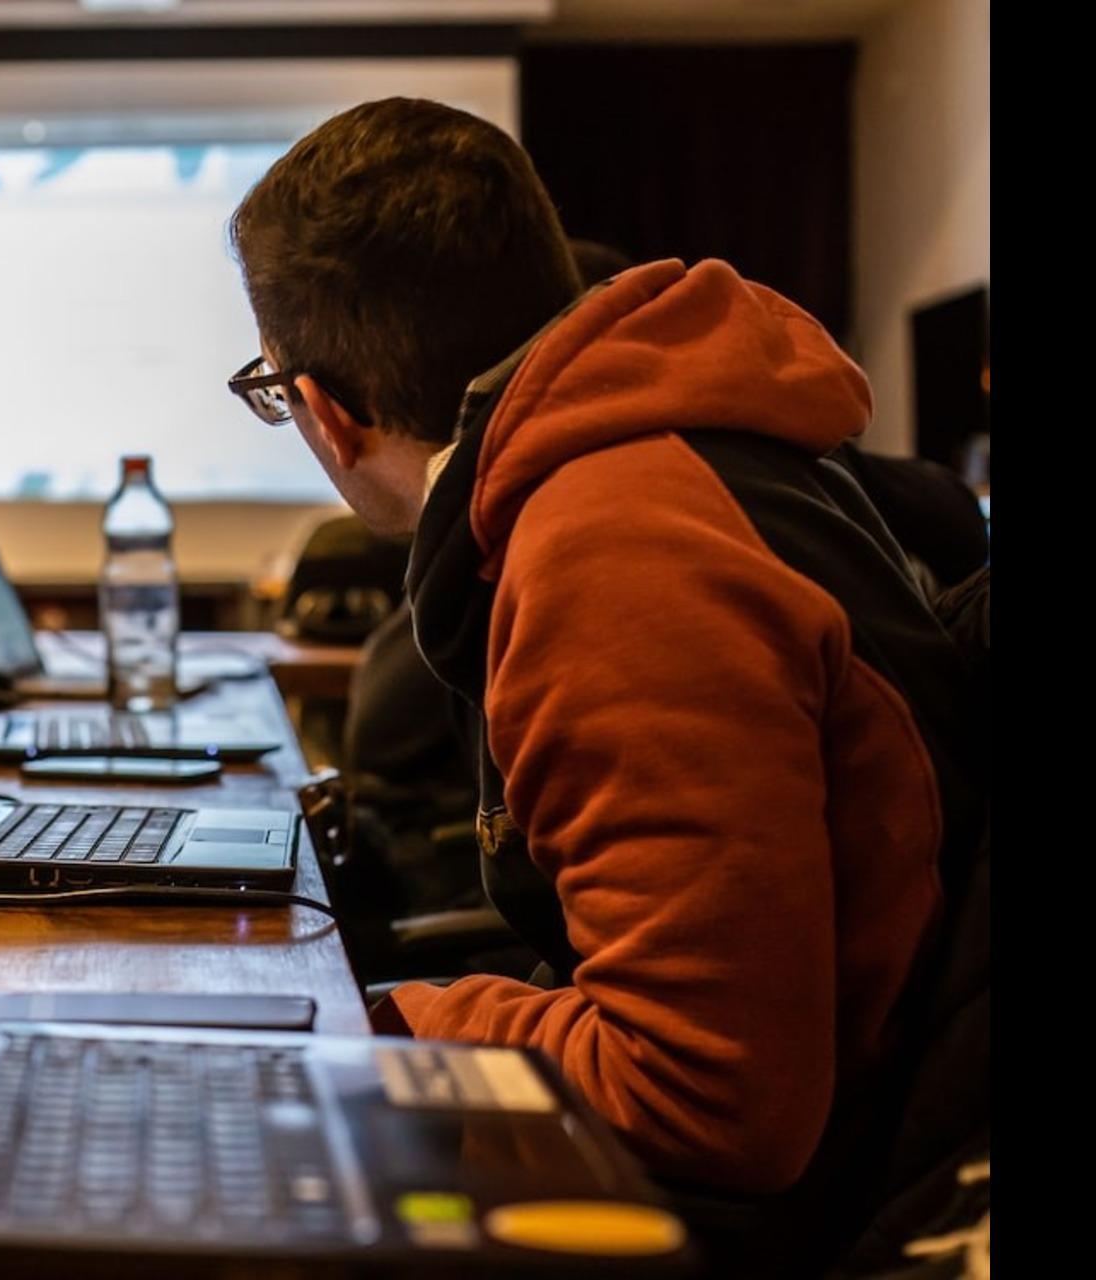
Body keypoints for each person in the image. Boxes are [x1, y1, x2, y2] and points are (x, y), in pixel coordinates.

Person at [225, 98, 979, 1261]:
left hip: (803, 1205)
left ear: (325, 414)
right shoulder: (668, 449)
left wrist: (392, 1021)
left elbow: (705, 1098)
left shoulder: (615, 547)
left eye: (274, 392)